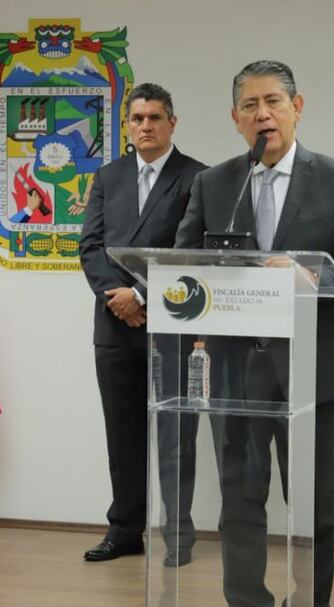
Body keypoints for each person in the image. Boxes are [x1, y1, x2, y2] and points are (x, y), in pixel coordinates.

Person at [175, 61, 334, 607]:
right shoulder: (215, 183)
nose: (262, 114)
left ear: (297, 107)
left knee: (313, 509)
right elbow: (184, 265)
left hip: (314, 371)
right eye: (250, 105)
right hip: (235, 375)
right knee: (239, 502)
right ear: (235, 118)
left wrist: (309, 274)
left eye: (273, 102)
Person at [79, 83, 206, 567]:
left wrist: (144, 296)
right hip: (114, 326)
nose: (146, 126)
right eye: (137, 119)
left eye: (155, 117)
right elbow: (90, 245)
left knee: (176, 434)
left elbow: (193, 250)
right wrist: (118, 298)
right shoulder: (108, 177)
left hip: (172, 323)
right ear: (127, 125)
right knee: (123, 433)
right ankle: (125, 530)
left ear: (172, 122)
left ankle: (179, 534)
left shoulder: (198, 178)